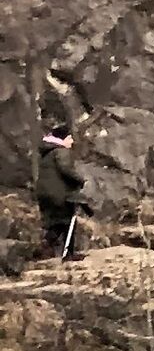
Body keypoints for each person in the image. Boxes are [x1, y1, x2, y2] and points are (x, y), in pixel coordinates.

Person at [34, 108, 83, 261]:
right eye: (70, 138)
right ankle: (68, 254)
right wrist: (80, 180)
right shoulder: (61, 151)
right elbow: (65, 169)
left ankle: (43, 247)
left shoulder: (47, 152)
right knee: (68, 222)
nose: (72, 141)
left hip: (45, 193)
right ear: (64, 139)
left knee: (56, 223)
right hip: (58, 194)